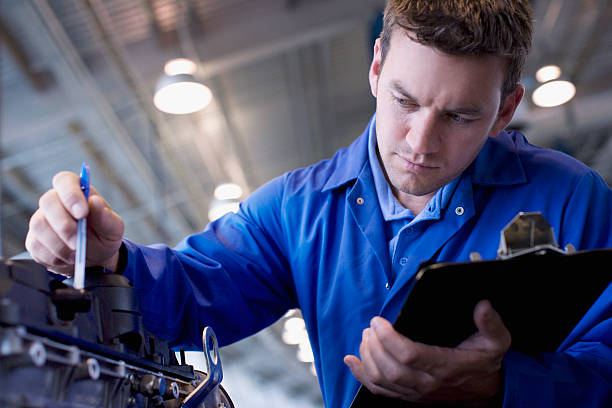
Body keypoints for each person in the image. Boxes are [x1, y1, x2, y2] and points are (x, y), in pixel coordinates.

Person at [25, 0, 612, 407]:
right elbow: (191, 294)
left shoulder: (572, 200)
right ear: (377, 69)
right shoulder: (297, 211)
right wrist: (106, 261)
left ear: (506, 110)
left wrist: (503, 388)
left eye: (460, 117)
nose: (420, 143)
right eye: (405, 100)